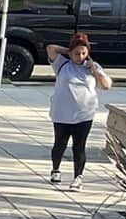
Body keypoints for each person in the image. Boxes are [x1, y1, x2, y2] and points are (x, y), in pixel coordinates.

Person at [45, 32, 113, 190]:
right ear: (71, 53)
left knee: (79, 146)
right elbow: (50, 48)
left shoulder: (93, 68)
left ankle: (78, 177)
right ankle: (55, 169)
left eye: (83, 53)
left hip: (84, 114)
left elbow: (106, 85)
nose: (80, 56)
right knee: (60, 144)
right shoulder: (61, 64)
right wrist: (68, 51)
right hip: (62, 114)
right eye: (77, 53)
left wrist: (94, 69)